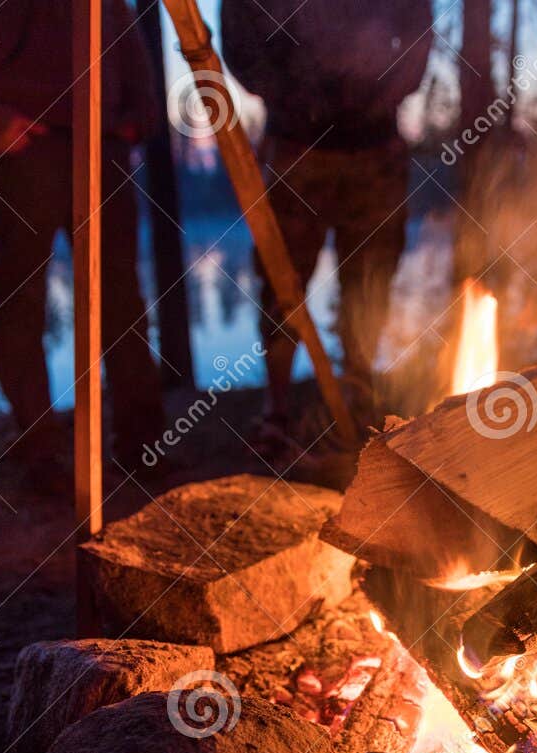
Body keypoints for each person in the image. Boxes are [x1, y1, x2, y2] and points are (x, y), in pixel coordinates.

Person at [0, 0, 163, 487]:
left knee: (119, 292)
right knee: (22, 293)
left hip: (101, 135)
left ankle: (143, 446)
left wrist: (139, 111)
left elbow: (119, 20)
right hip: (23, 136)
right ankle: (41, 454)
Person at [221, 0, 434, 440]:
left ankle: (358, 398)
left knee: (371, 279)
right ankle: (278, 410)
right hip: (297, 148)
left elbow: (417, 31)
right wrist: (297, 98)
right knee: (282, 279)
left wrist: (383, 94)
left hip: (375, 147)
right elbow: (240, 40)